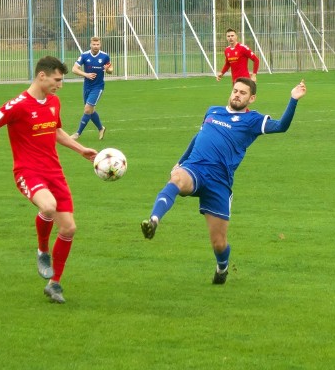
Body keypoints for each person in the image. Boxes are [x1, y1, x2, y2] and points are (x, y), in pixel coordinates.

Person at [0, 56, 97, 304]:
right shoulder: (17, 105)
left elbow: (56, 131)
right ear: (42, 76)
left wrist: (80, 150)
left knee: (69, 228)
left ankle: (54, 283)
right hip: (28, 171)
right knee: (47, 206)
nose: (60, 85)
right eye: (57, 80)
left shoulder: (54, 102)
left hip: (54, 172)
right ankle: (42, 250)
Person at [141, 77, 307, 284]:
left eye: (243, 93)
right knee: (176, 179)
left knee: (218, 243)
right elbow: (198, 137)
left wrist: (293, 99)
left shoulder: (253, 120)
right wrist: (180, 162)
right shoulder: (213, 111)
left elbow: (282, 126)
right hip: (195, 168)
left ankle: (222, 268)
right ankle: (154, 220)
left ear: (252, 98)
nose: (237, 94)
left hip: (219, 183)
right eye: (235, 90)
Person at [71, 36, 113, 140]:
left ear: (100, 45)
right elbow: (74, 69)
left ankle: (77, 134)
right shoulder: (84, 55)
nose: (95, 46)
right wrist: (86, 74)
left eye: (97, 44)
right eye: (94, 44)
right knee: (91, 110)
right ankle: (101, 128)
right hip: (87, 86)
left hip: (98, 87)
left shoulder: (105, 56)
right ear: (90, 45)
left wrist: (107, 70)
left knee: (87, 109)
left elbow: (111, 69)